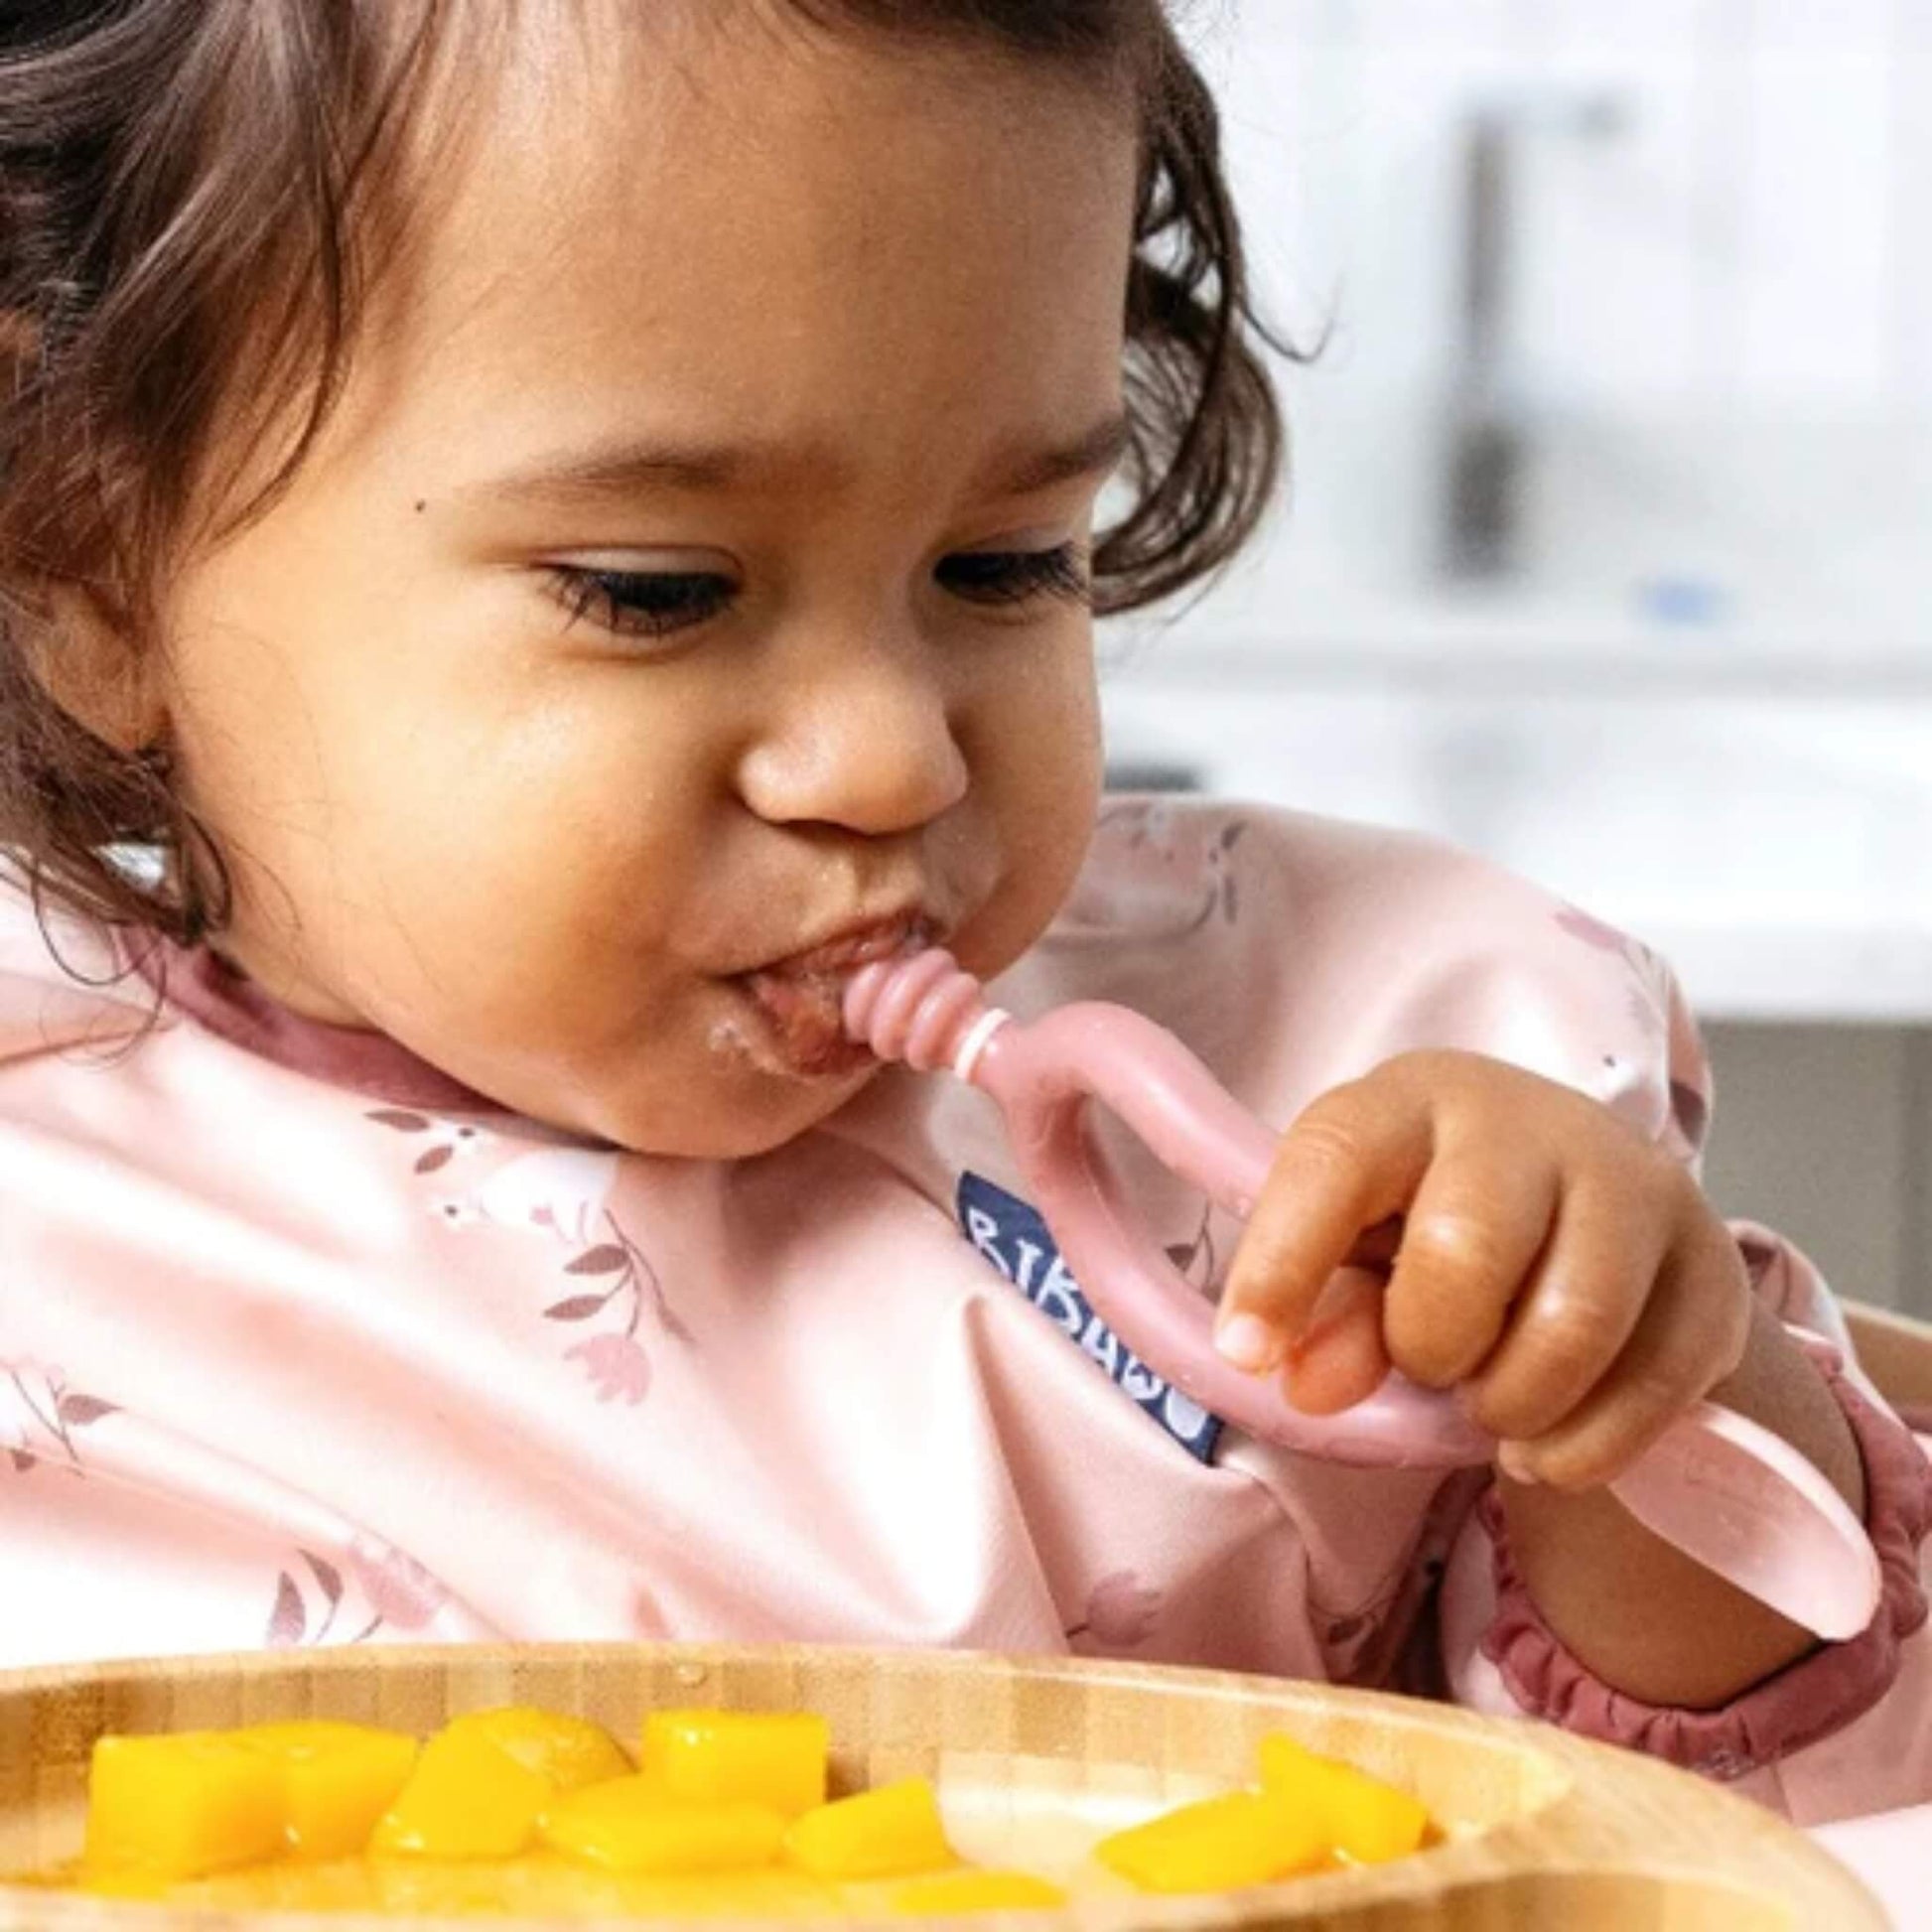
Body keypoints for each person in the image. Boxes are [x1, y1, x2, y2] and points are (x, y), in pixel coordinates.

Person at [0, 0, 1923, 1828]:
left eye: (1004, 563)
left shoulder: (1340, 1079)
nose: (888, 756)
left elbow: (1768, 1815)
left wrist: (1629, 1390)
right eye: (658, 589)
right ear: (84, 553)